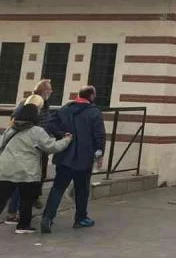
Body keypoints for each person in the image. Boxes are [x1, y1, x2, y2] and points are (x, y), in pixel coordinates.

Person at [41, 86, 106, 233]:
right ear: (91, 96)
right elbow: (99, 135)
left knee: (58, 188)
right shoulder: (94, 112)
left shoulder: (65, 109)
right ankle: (80, 218)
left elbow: (50, 124)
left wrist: (62, 134)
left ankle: (47, 217)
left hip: (65, 156)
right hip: (84, 158)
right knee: (82, 189)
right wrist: (99, 155)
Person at [0, 104, 72, 234]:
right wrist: (66, 140)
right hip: (28, 171)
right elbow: (51, 147)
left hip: (6, 168)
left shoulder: (10, 129)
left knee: (2, 198)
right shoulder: (37, 131)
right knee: (27, 199)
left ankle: (14, 219)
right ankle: (23, 226)